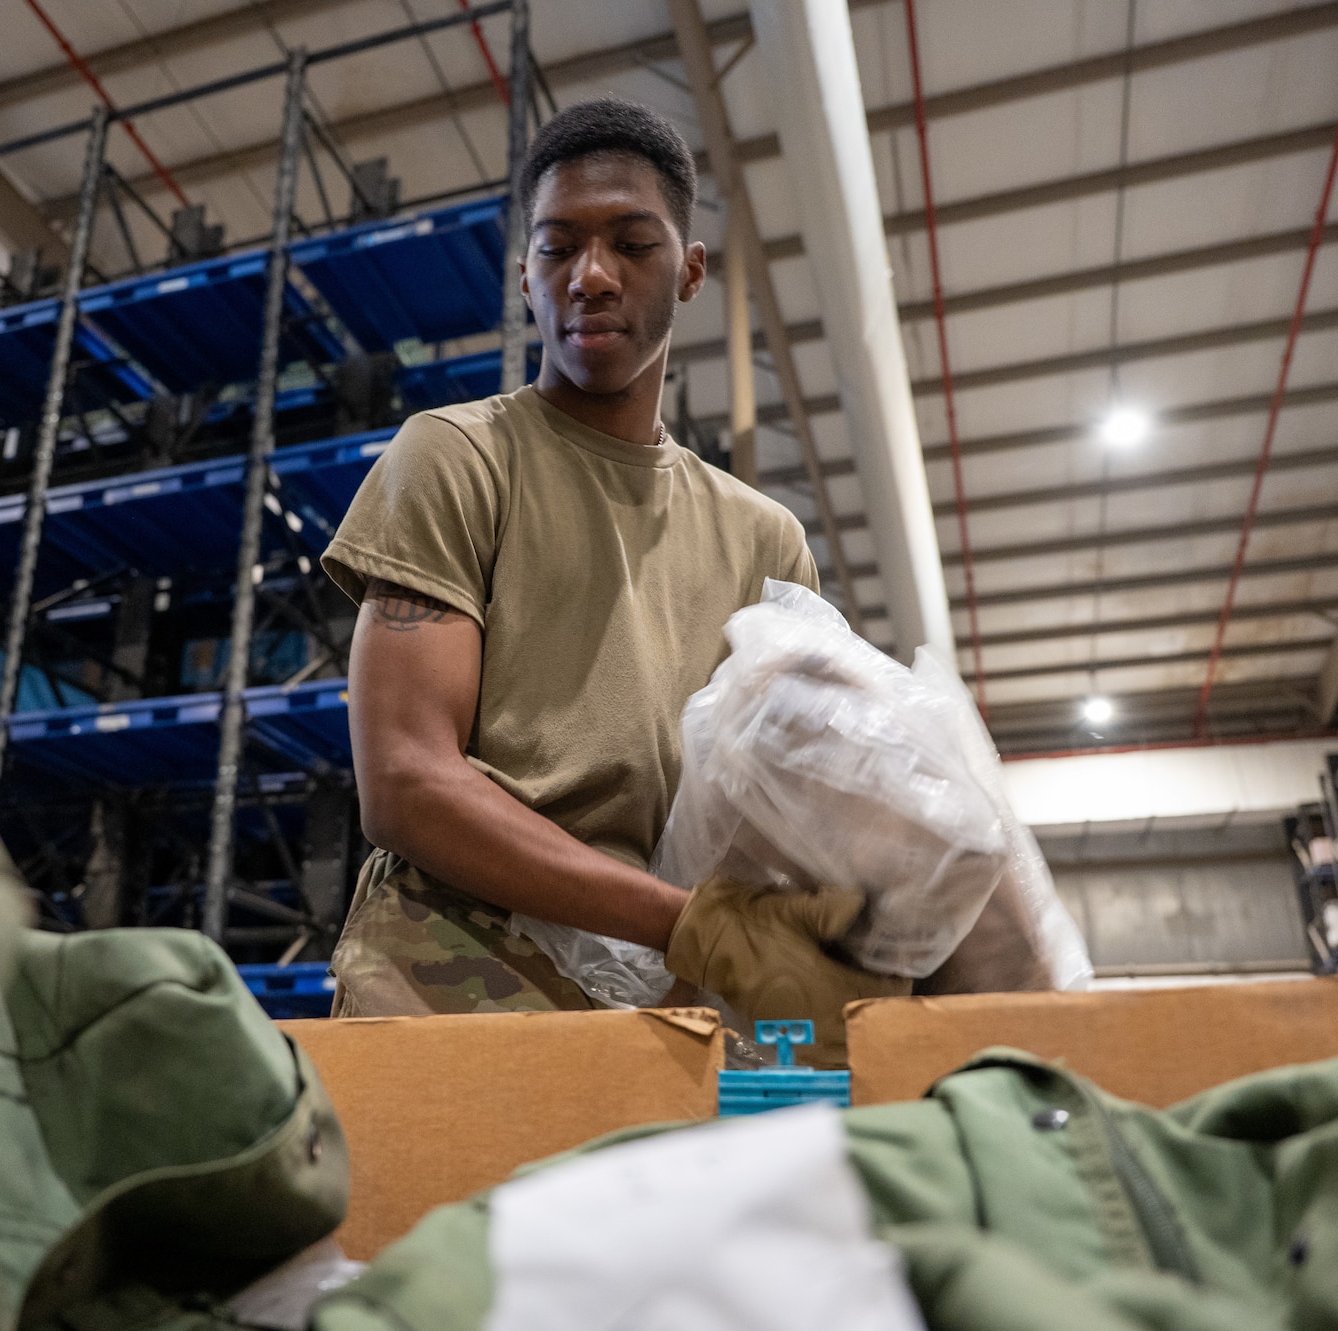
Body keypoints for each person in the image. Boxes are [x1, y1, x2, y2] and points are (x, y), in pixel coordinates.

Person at [320, 97, 905, 1020]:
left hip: (667, 1003)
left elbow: (778, 803)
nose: (590, 276)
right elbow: (406, 783)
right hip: (452, 976)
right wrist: (690, 925)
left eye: (633, 244)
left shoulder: (766, 542)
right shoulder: (458, 457)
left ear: (690, 271)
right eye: (558, 249)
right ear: (525, 278)